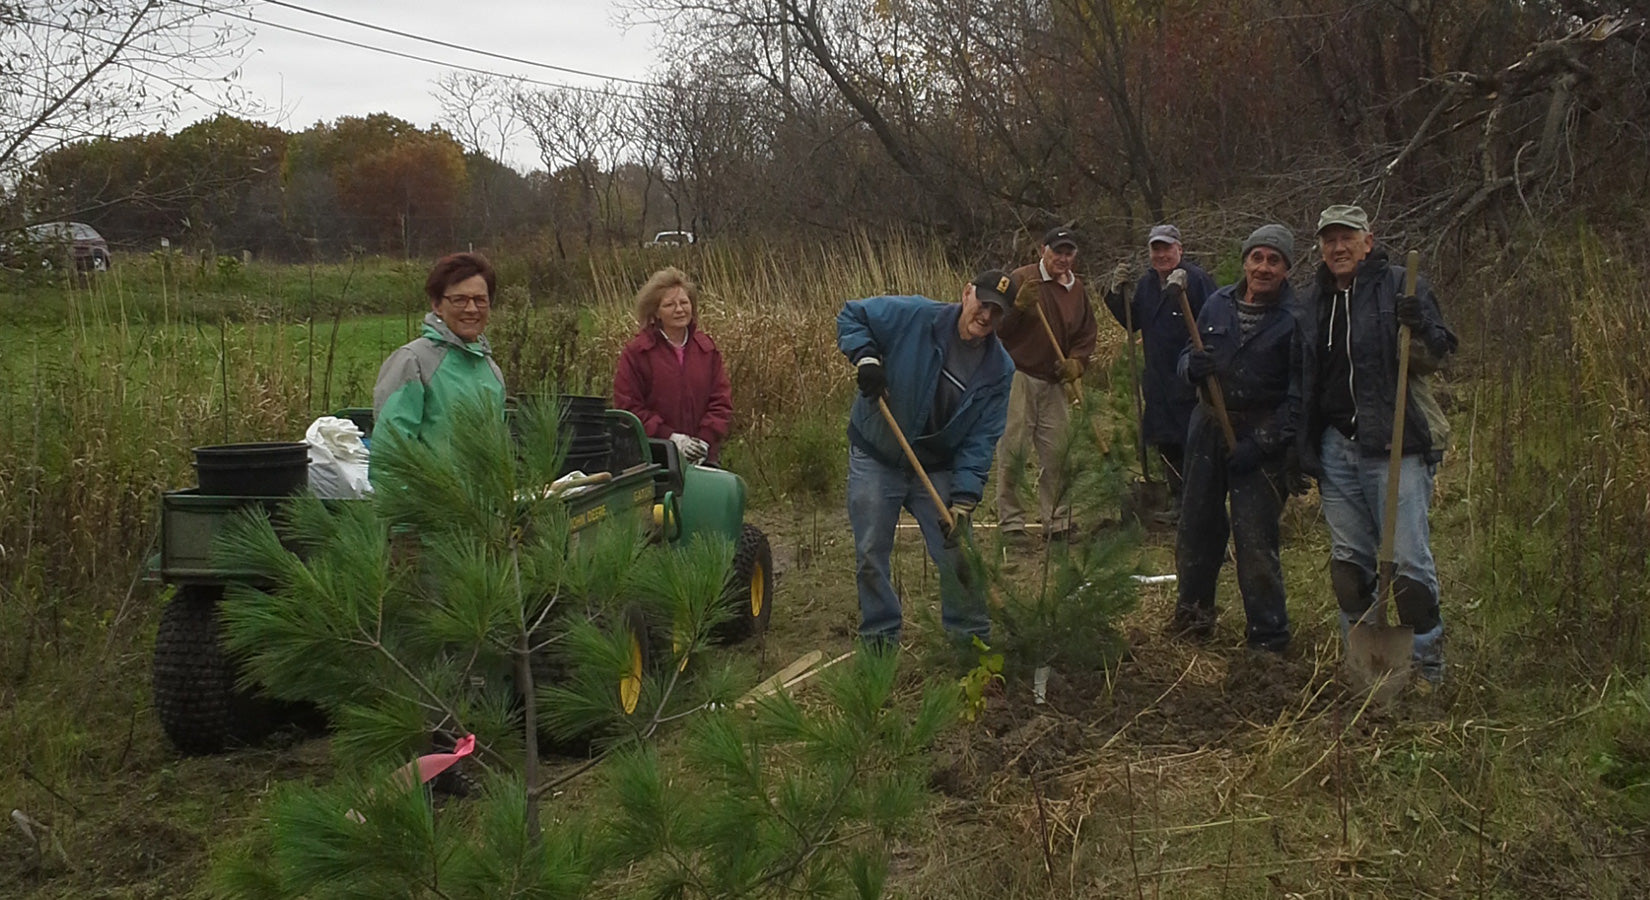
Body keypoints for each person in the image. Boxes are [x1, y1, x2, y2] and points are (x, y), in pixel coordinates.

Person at [1295, 205, 1458, 683]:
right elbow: (1304, 378)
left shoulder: (1400, 287)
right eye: (1330, 240)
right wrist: (1302, 445)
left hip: (1396, 445)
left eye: (1347, 238)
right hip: (1337, 449)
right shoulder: (1313, 302)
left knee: (1409, 570)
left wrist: (1421, 325)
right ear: (1321, 247)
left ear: (1368, 241)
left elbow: (1439, 353)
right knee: (1349, 571)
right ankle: (1369, 673)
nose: (1338, 247)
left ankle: (1426, 669)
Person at [836, 270, 1019, 647]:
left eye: (997, 312)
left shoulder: (999, 370)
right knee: (871, 551)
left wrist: (965, 499)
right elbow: (852, 315)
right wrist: (866, 358)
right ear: (966, 293)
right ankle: (880, 639)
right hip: (878, 453)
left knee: (957, 553)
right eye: (982, 304)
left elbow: (981, 439)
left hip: (935, 465)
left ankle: (970, 641)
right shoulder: (917, 316)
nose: (985, 316)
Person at [1172, 225, 1300, 652]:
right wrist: (1191, 366)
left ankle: (1268, 638)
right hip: (1208, 424)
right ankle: (1193, 620)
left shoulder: (1295, 319)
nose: (1263, 267)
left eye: (1273, 260)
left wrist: (1262, 442)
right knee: (1196, 527)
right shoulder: (1216, 304)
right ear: (1245, 261)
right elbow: (1183, 357)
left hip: (1259, 437)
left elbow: (1300, 399)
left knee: (1254, 538)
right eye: (1257, 257)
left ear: (1286, 269)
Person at [1104, 224, 1219, 523]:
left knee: (1189, 440)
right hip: (1157, 377)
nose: (1161, 254)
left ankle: (1194, 502)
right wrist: (1117, 295)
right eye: (1156, 249)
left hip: (1187, 377)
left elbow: (1216, 320)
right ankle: (1176, 496)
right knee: (1165, 439)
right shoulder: (1146, 285)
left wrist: (1204, 363)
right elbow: (1133, 322)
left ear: (1179, 249)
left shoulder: (1196, 281)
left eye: (1167, 248)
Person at [994, 227, 1098, 544]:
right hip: (1018, 374)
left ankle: (1057, 521)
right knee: (1013, 449)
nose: (1062, 259)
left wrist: (1077, 362)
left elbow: (1085, 334)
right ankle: (1011, 523)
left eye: (1068, 253)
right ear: (1043, 250)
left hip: (1054, 380)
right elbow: (997, 328)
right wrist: (1018, 308)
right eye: (1057, 252)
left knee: (1058, 454)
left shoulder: (1076, 290)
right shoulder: (1021, 280)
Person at [372, 251, 506, 474]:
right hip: (425, 507)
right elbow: (391, 452)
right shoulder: (413, 361)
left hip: (480, 508)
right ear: (437, 305)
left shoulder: (491, 371)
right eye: (460, 300)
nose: (471, 309)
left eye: (480, 300)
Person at [612, 267, 733, 465]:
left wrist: (704, 439)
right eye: (669, 305)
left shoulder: (707, 349)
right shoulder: (637, 353)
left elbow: (721, 400)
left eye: (684, 303)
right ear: (656, 312)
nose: (679, 310)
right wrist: (671, 438)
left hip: (704, 457)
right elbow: (628, 406)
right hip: (655, 458)